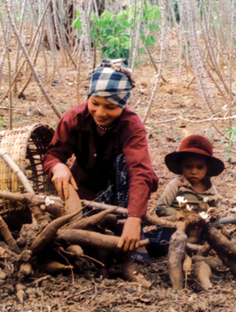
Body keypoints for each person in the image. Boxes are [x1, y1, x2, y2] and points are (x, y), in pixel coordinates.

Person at [43, 59, 159, 253]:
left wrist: (134, 218)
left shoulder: (131, 126)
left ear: (123, 105)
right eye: (95, 103)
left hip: (122, 194)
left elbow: (140, 171)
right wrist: (57, 166)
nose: (101, 112)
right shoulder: (74, 118)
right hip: (85, 190)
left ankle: (126, 230)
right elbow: (53, 154)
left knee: (124, 162)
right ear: (89, 97)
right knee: (82, 234)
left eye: (111, 107)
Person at [155, 134, 224, 217]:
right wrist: (179, 215)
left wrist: (213, 214)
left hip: (200, 226)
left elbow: (217, 212)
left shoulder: (211, 191)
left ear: (208, 168)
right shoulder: (177, 185)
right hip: (174, 226)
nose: (194, 172)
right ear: (181, 166)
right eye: (188, 167)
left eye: (200, 167)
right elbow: (161, 208)